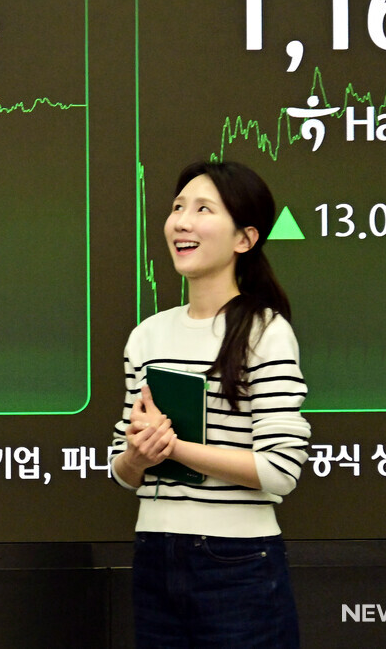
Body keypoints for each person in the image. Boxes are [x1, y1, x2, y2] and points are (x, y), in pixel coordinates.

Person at [110, 160, 310, 648]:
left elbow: (280, 470)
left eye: (203, 209)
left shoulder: (266, 331)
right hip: (154, 554)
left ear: (244, 238)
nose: (182, 222)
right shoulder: (147, 335)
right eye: (178, 207)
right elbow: (122, 470)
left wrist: (175, 449)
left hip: (237, 561)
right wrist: (138, 455)